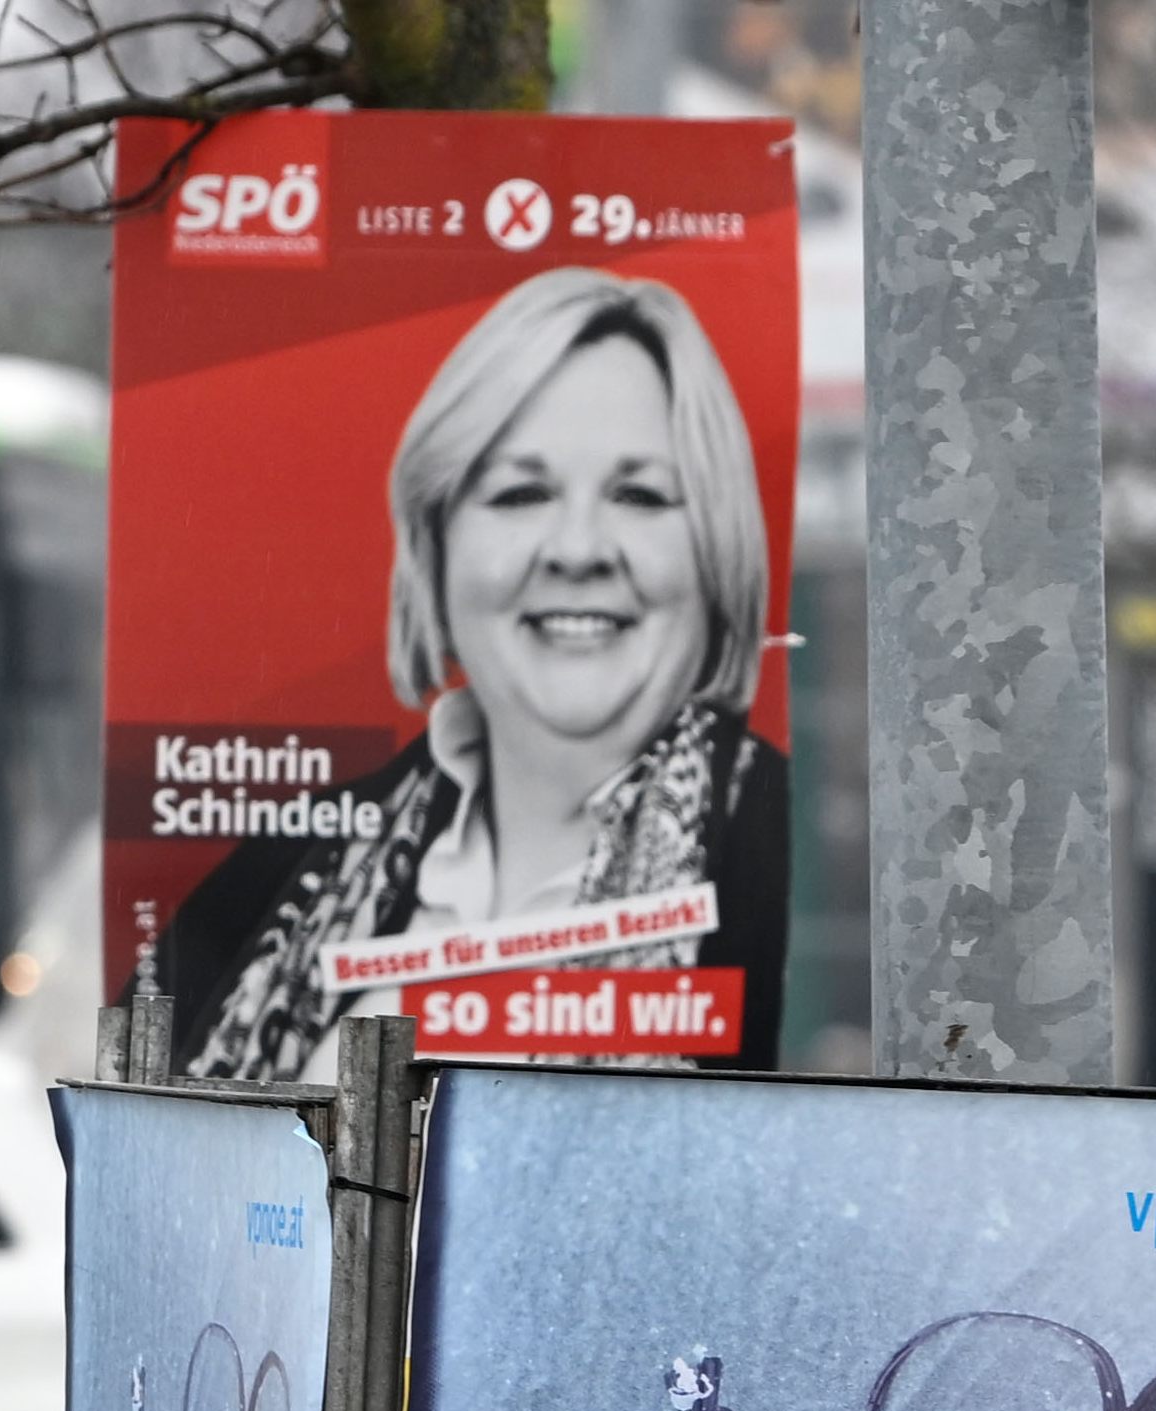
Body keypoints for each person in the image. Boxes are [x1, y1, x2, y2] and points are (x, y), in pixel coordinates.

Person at [165, 268, 790, 1083]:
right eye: (521, 493)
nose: (577, 549)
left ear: (717, 547)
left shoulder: (796, 859)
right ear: (436, 543)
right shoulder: (289, 862)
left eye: (639, 495)